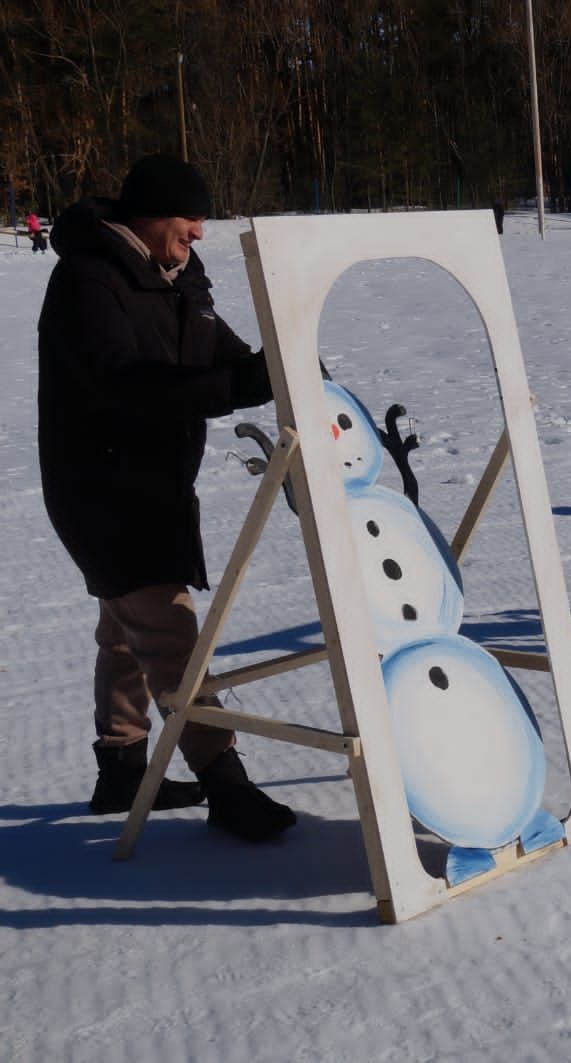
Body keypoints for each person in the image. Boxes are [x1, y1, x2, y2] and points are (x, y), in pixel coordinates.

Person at [37, 154, 297, 841]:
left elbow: (222, 352)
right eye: (188, 221)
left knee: (126, 628)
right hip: (100, 489)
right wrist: (239, 387)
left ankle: (121, 765)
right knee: (168, 632)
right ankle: (225, 783)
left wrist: (285, 366)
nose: (199, 234)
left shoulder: (181, 277)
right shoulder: (87, 280)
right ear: (151, 217)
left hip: (155, 484)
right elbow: (124, 383)